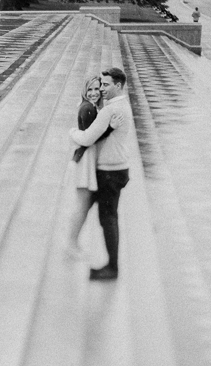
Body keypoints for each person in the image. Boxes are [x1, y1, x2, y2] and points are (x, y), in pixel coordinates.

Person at [70, 67, 133, 281]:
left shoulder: (109, 111)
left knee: (108, 218)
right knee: (98, 211)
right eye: (101, 85)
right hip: (118, 168)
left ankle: (112, 268)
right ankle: (73, 244)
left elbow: (87, 138)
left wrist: (72, 133)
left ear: (118, 85)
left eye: (106, 85)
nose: (103, 89)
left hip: (110, 171)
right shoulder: (123, 105)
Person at [66, 75, 118, 258]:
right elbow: (92, 137)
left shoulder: (90, 107)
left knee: (84, 204)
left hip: (87, 158)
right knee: (82, 204)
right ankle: (71, 245)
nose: (94, 93)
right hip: (85, 159)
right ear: (84, 91)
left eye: (97, 89)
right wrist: (111, 128)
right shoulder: (88, 108)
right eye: (90, 90)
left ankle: (73, 243)